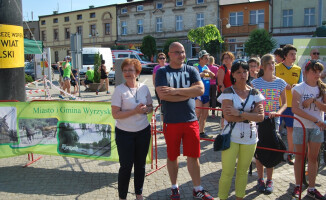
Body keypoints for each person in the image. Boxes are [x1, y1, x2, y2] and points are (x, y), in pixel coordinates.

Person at [155, 42, 214, 200]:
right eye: (176, 52)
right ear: (169, 54)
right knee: (172, 156)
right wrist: (188, 93)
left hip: (190, 120)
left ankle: (197, 188)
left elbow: (200, 90)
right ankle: (174, 187)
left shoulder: (191, 70)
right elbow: (163, 95)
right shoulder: (162, 72)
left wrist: (175, 91)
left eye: (182, 52)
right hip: (171, 121)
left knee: (193, 156)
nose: (180, 55)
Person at [217, 61, 265, 200]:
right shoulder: (228, 92)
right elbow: (228, 116)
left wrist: (239, 113)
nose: (243, 75)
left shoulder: (255, 92)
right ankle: (222, 198)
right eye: (239, 72)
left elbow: (261, 117)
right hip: (231, 137)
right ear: (233, 75)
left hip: (250, 137)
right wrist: (250, 116)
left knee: (243, 172)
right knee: (227, 172)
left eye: (245, 71)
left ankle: (240, 197)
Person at [111, 58, 153, 200]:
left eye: (131, 70)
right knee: (126, 166)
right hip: (124, 134)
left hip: (143, 132)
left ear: (137, 72)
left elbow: (150, 107)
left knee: (140, 165)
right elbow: (115, 114)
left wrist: (146, 109)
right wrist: (135, 111)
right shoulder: (119, 90)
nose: (128, 73)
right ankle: (122, 196)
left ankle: (139, 193)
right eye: (125, 70)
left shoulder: (144, 88)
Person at [251, 54, 287, 194]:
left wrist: (278, 112)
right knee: (260, 149)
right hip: (260, 120)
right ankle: (260, 179)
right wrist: (257, 112)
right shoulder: (256, 83)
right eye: (269, 63)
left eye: (273, 63)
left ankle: (269, 179)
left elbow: (284, 103)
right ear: (263, 66)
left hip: (273, 120)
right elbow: (252, 102)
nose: (272, 65)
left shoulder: (280, 82)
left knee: (271, 148)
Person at [291, 60, 326, 199]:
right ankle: (298, 185)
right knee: (299, 157)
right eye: (314, 71)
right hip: (301, 127)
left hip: (317, 128)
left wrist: (314, 101)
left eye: (319, 72)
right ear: (306, 73)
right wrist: (316, 120)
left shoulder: (322, 88)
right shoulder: (299, 88)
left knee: (313, 158)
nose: (317, 74)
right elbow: (295, 109)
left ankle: (311, 188)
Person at [275, 44, 303, 165]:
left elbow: (300, 85)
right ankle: (277, 152)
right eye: (291, 54)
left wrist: (297, 87)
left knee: (291, 129)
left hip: (291, 104)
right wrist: (282, 85)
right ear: (285, 56)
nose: (294, 56)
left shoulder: (298, 69)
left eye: (295, 54)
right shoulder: (276, 67)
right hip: (277, 103)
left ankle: (290, 153)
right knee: (276, 129)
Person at [195, 50, 215, 139]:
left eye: (208, 58)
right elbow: (194, 77)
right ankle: (193, 132)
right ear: (200, 58)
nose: (207, 59)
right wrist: (203, 74)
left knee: (205, 114)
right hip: (198, 94)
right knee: (197, 113)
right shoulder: (196, 66)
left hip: (206, 94)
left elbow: (212, 76)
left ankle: (201, 132)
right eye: (205, 58)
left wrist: (208, 73)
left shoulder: (206, 67)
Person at [217, 51, 235, 129]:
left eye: (228, 58)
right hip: (225, 94)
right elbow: (220, 83)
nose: (226, 60)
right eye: (224, 58)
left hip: (234, 93)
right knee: (225, 114)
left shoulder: (233, 68)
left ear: (232, 59)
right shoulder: (222, 68)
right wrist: (226, 95)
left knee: (232, 112)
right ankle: (223, 131)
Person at [152, 52, 167, 119]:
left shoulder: (168, 66)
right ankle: (163, 124)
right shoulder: (156, 68)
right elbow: (154, 80)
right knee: (162, 107)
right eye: (160, 58)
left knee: (168, 106)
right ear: (158, 60)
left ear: (165, 59)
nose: (162, 60)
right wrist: (157, 89)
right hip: (159, 90)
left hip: (168, 89)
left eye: (163, 58)